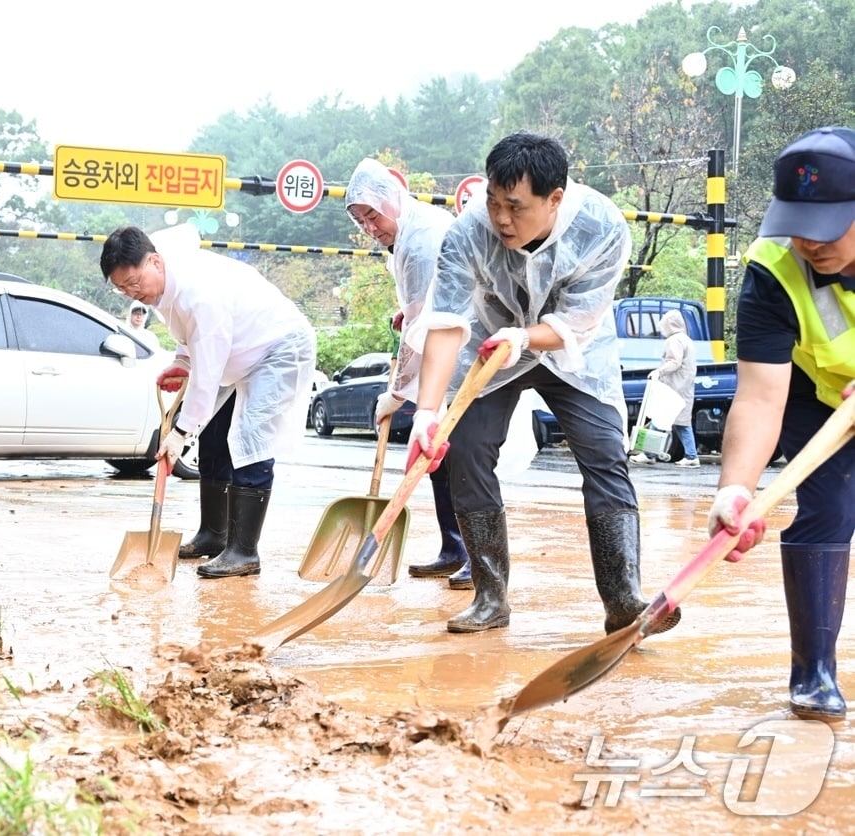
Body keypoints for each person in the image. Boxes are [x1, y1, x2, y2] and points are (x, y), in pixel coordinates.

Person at [405, 131, 681, 637]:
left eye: (515, 207)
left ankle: (623, 599)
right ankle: (490, 597)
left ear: (555, 198)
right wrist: (427, 412)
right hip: (489, 347)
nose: (501, 218)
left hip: (574, 350)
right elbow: (445, 323)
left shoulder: (601, 225)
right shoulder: (467, 232)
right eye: (493, 202)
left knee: (604, 453)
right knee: (466, 451)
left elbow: (578, 320)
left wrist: (526, 336)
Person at [708, 126, 855, 723]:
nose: (808, 242)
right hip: (816, 396)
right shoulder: (773, 268)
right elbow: (760, 397)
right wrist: (735, 490)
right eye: (797, 224)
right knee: (831, 506)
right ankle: (813, 672)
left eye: (826, 227)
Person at [100, 224, 316, 578]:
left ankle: (244, 552)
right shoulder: (160, 280)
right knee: (214, 435)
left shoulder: (201, 294)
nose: (132, 294)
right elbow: (190, 334)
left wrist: (180, 433)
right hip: (237, 348)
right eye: (123, 288)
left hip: (277, 346)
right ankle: (214, 534)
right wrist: (181, 361)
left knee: (250, 438)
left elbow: (208, 370)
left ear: (155, 262)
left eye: (134, 283)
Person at [343, 158, 471, 589]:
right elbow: (421, 308)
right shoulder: (405, 232)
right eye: (361, 222)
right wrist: (409, 312)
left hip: (462, 352)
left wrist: (396, 394)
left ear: (392, 200)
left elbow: (424, 328)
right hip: (444, 349)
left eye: (372, 216)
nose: (369, 228)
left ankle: (476, 556)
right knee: (439, 457)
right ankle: (455, 547)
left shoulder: (420, 240)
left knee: (464, 457)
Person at [629, 309, 700, 467]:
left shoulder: (674, 340)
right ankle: (691, 456)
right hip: (684, 388)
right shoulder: (686, 339)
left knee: (660, 420)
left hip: (674, 388)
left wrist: (659, 371)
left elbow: (674, 362)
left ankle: (649, 454)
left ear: (669, 325)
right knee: (682, 423)